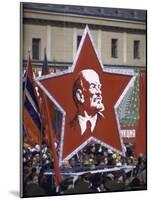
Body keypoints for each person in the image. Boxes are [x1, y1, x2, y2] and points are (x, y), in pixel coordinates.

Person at [71, 69, 105, 135]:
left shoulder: (108, 124)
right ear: (80, 95)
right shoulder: (69, 127)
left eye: (99, 87)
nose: (99, 92)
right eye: (93, 87)